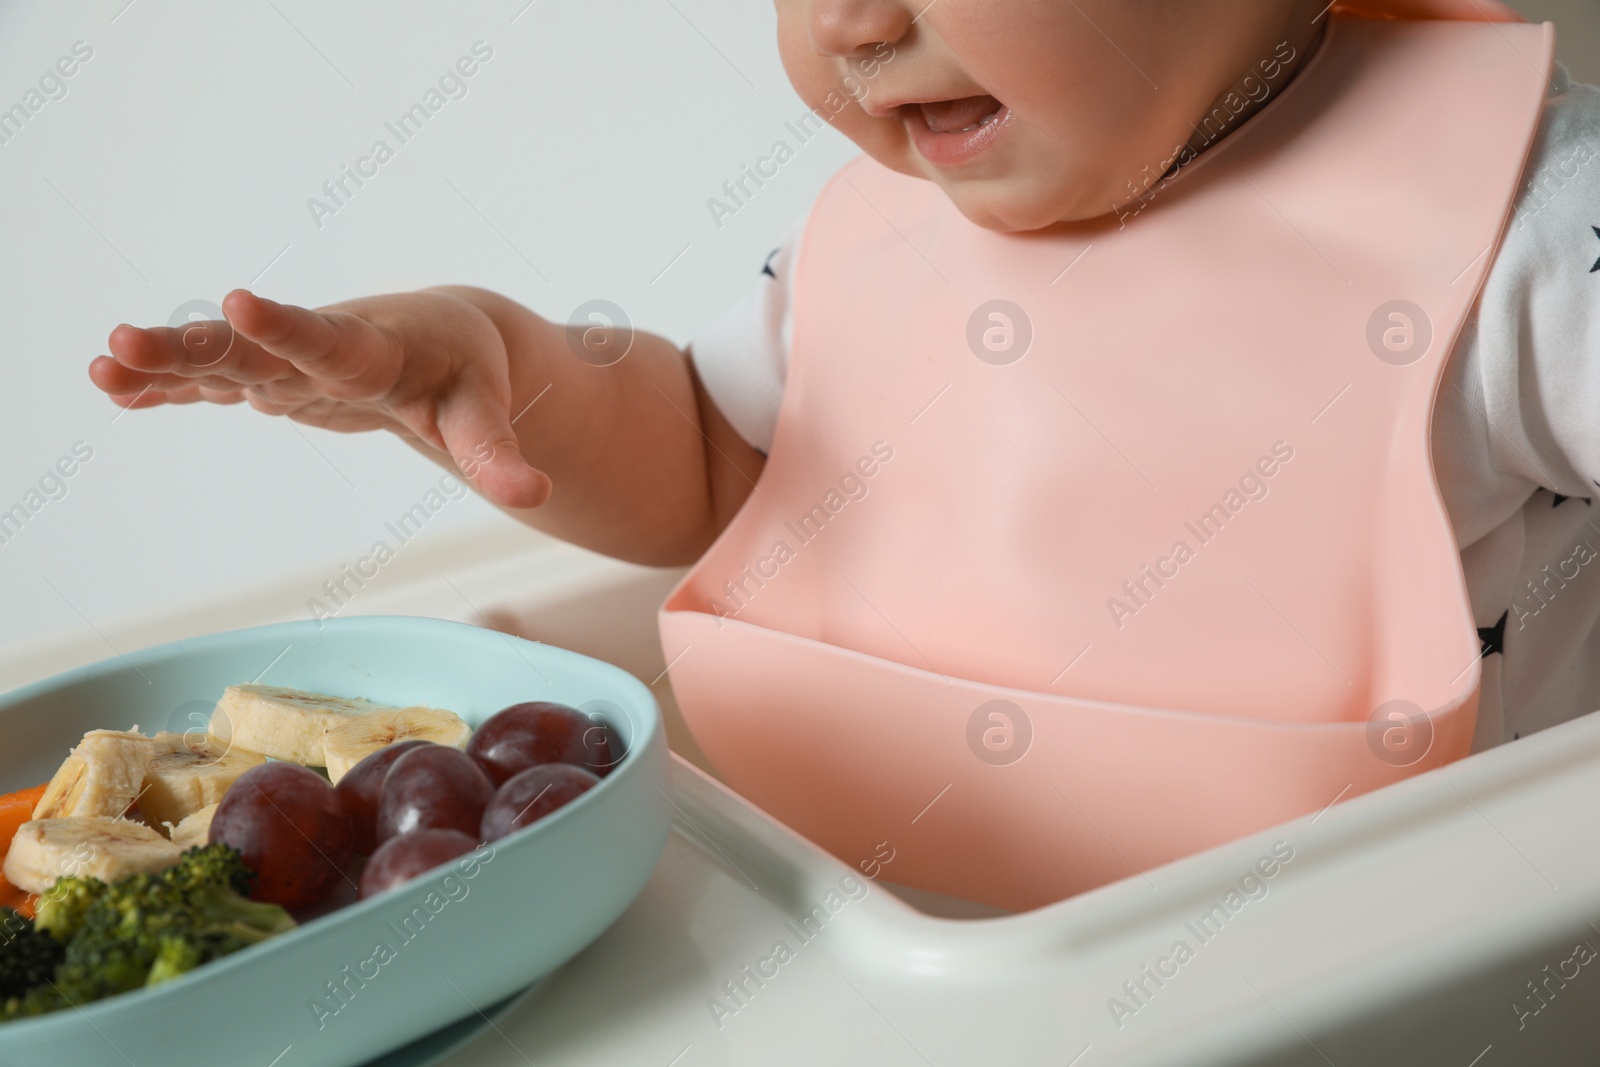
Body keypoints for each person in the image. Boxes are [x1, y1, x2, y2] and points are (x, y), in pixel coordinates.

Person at [89, 0, 1600, 909]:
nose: (855, 22)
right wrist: (495, 363)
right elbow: (732, 468)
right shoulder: (869, 247)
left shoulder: (1523, 235)